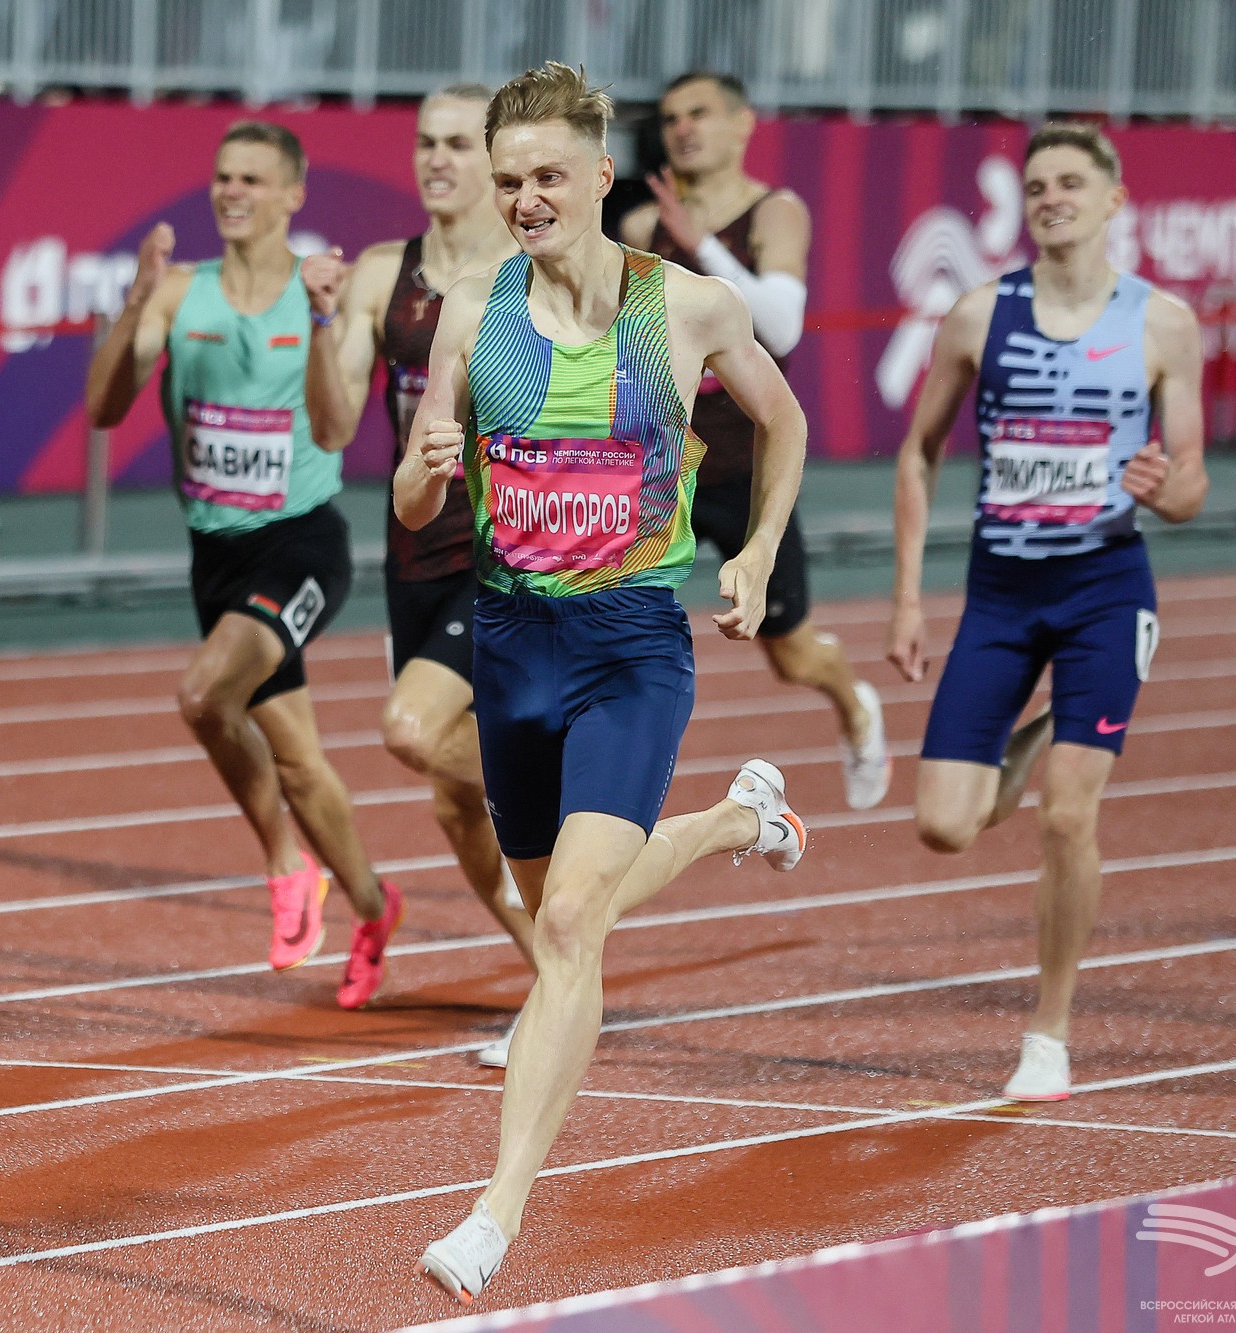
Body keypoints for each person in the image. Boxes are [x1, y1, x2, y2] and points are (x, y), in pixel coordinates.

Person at [402, 63, 810, 1303]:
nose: (524, 198)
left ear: (597, 175)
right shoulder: (471, 311)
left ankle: (492, 1215)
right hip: (510, 642)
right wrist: (426, 470)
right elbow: (414, 499)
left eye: (546, 176)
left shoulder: (684, 306)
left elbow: (784, 421)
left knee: (571, 925)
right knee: (555, 917)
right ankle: (737, 821)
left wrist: (754, 548)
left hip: (629, 642)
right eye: (507, 179)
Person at [888, 122, 1206, 1102]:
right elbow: (918, 452)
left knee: (1068, 813)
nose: (1051, 197)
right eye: (1036, 186)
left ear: (1113, 199)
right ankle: (1045, 729)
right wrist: (907, 596)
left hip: (1103, 588)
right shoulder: (980, 314)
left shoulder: (1161, 324)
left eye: (1071, 181)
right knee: (946, 824)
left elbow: (1192, 483)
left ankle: (1048, 1032)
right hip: (1000, 593)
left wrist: (1164, 488)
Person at [84, 121, 404, 1011]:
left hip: (301, 544)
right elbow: (104, 409)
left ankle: (285, 864)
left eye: (254, 180)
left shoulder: (318, 291)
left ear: (293, 194)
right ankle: (374, 907)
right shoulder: (177, 293)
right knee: (297, 762)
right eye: (224, 176)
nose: (232, 191)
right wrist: (135, 300)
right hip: (215, 553)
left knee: (202, 695)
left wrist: (325, 321)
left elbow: (336, 431)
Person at [299, 84, 534, 1068]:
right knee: (454, 805)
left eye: (458, 144)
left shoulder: (530, 273)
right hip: (415, 556)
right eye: (425, 142)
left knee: (408, 729)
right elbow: (329, 425)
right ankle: (561, 976)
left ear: (494, 160)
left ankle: (571, 821)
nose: (437, 159)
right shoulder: (379, 276)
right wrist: (322, 321)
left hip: (510, 556)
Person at [618, 69, 890, 810]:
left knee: (790, 654)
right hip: (661, 471)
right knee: (612, 626)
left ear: (742, 125)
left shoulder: (776, 212)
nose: (683, 128)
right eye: (672, 117)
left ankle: (856, 705)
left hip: (745, 469)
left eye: (699, 113)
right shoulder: (640, 228)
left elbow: (782, 328)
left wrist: (699, 245)